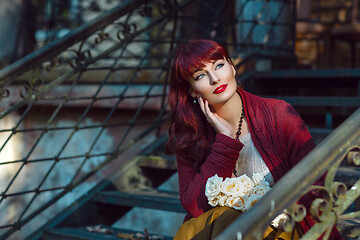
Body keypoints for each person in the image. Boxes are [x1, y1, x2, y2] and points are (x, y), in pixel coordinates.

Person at [167, 39, 342, 239]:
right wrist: (225, 141)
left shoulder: (279, 114)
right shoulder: (190, 134)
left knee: (229, 218)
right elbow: (194, 205)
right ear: (192, 90)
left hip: (284, 228)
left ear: (232, 67)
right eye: (200, 76)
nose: (214, 78)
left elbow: (316, 182)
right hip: (226, 231)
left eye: (219, 65)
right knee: (225, 217)